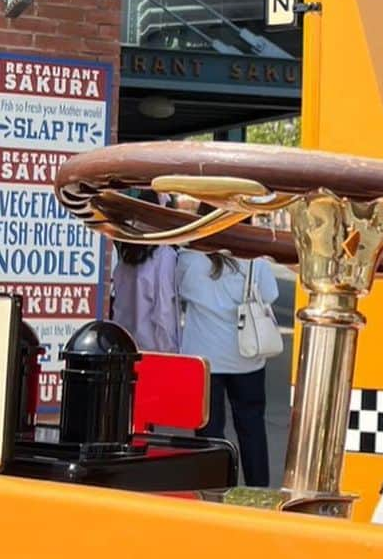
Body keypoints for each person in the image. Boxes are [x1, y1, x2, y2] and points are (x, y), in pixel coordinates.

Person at [176, 248, 279, 487]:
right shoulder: (254, 261)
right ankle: (258, 489)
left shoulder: (189, 260)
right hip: (247, 357)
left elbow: (178, 290)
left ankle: (213, 487)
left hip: (203, 360)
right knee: (252, 427)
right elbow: (270, 294)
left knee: (208, 429)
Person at [110, 194, 181, 354]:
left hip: (125, 347)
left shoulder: (125, 254)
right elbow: (163, 312)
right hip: (154, 351)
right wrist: (170, 351)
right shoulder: (165, 255)